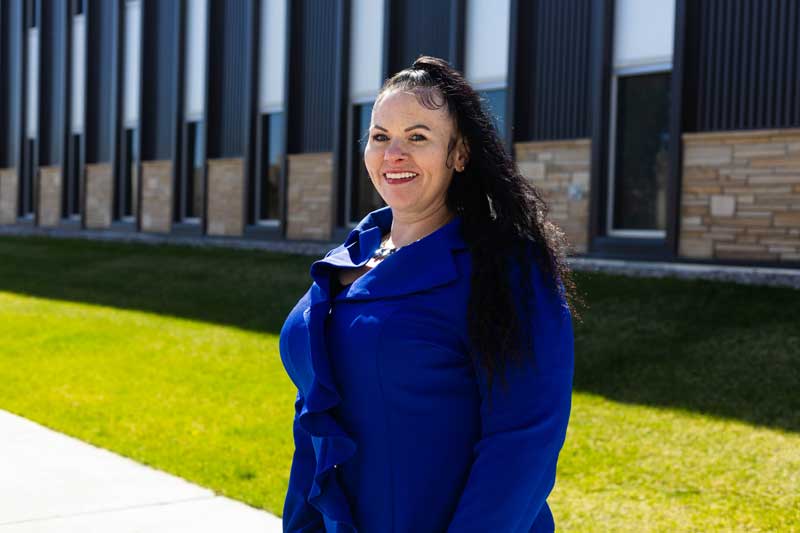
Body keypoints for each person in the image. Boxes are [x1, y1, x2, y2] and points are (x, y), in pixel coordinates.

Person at [279, 56, 579, 533]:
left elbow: (523, 443)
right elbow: (314, 420)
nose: (393, 154)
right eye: (380, 137)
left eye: (417, 137)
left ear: (459, 155)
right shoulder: (349, 257)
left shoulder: (505, 270)